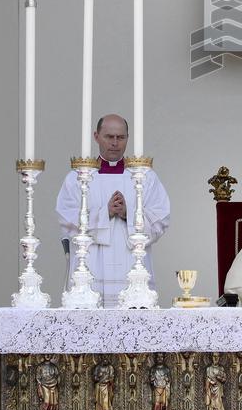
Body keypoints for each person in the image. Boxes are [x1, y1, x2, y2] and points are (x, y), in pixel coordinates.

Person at [56, 114, 170, 308]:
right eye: (109, 137)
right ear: (96, 136)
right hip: (91, 275)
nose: (115, 143)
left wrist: (129, 214)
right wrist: (105, 213)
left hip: (133, 275)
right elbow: (67, 220)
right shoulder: (77, 178)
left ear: (127, 137)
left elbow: (160, 219)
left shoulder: (145, 177)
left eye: (121, 137)